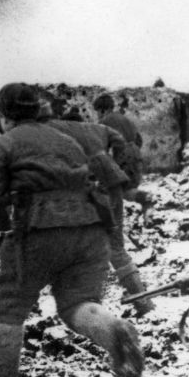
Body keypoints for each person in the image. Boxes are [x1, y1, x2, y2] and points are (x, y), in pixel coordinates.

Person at [0, 83, 143, 377]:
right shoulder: (66, 140)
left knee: (9, 308)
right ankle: (112, 329)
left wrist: (5, 223)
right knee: (78, 304)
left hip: (40, 233)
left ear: (4, 116)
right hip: (90, 232)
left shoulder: (3, 145)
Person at [49, 107, 156, 316]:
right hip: (111, 178)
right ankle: (143, 301)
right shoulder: (95, 128)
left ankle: (82, 303)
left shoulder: (51, 133)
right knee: (116, 247)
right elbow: (121, 143)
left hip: (92, 185)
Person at [93, 93, 152, 213]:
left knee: (110, 189)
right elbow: (139, 140)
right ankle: (145, 200)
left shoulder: (104, 122)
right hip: (136, 153)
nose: (97, 115)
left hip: (123, 155)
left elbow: (101, 147)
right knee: (127, 188)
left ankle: (144, 199)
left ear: (103, 110)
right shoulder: (126, 119)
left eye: (97, 111)